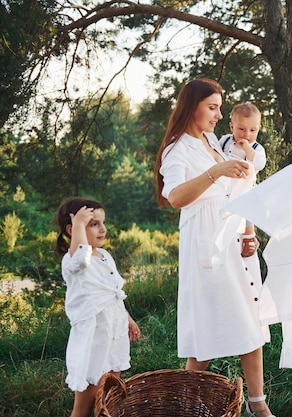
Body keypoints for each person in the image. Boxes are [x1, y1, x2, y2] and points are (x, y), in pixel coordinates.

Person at [154, 78, 275, 417]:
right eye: (212, 107)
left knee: (249, 319)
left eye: (220, 108)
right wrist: (216, 169)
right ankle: (182, 405)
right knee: (209, 325)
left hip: (234, 238)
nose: (219, 115)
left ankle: (257, 403)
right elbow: (174, 196)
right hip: (207, 242)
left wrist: (249, 230)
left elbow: (239, 188)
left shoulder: (211, 140)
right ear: (191, 106)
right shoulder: (177, 148)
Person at [53, 197, 141, 417]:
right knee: (84, 406)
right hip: (93, 341)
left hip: (113, 334)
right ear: (73, 229)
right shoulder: (74, 260)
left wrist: (127, 319)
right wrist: (80, 226)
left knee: (109, 400)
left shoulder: (104, 256)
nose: (103, 229)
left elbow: (113, 293)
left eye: (103, 223)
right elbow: (81, 259)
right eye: (93, 224)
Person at [219, 102, 267, 257]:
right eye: (241, 129)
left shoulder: (256, 148)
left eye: (252, 130)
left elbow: (260, 163)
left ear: (258, 128)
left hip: (244, 187)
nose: (247, 134)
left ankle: (249, 237)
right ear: (232, 126)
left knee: (247, 210)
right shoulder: (225, 140)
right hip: (225, 186)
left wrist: (247, 148)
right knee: (226, 211)